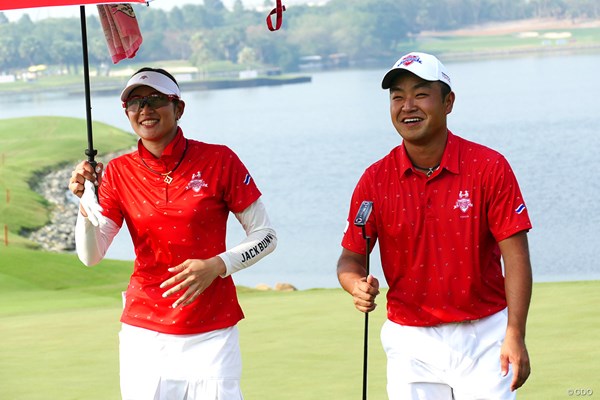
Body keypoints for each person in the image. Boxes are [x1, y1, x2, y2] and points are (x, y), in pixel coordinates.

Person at [68, 67, 277, 400]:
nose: (145, 110)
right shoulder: (119, 172)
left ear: (178, 108)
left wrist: (218, 265)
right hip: (145, 336)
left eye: (156, 100)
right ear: (127, 113)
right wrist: (85, 207)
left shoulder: (219, 159)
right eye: (135, 103)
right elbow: (90, 256)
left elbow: (265, 236)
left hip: (213, 331)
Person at [337, 52, 532, 399]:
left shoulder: (489, 167)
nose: (407, 106)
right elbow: (351, 259)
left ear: (448, 102)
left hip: (485, 335)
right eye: (397, 96)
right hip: (409, 341)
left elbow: (516, 259)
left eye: (421, 94)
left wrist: (515, 333)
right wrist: (355, 285)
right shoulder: (374, 180)